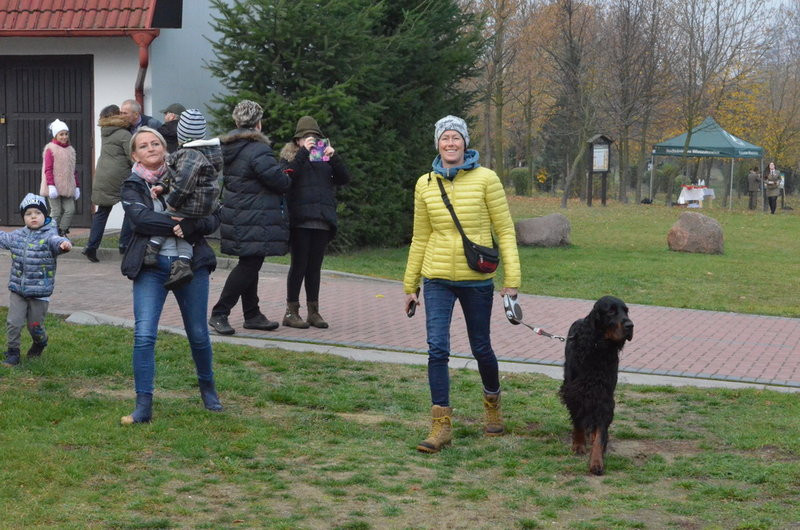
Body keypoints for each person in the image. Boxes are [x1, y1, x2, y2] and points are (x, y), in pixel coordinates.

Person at [403, 115, 521, 454]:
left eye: (456, 137)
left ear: (465, 142)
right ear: (437, 144)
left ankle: (492, 404)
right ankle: (441, 425)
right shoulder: (425, 183)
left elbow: (505, 231)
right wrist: (410, 285)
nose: (450, 143)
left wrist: (512, 280)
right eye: (445, 138)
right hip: (436, 278)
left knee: (481, 347)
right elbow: (420, 236)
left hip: (476, 279)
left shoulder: (487, 179)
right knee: (437, 349)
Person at [119, 127, 223, 424]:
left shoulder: (190, 170)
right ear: (135, 155)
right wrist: (181, 225)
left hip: (191, 265)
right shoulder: (132, 185)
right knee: (144, 334)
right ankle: (143, 404)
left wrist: (194, 225)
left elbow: (215, 214)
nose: (151, 148)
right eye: (144, 146)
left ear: (165, 148)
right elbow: (140, 220)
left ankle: (208, 389)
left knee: (198, 333)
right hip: (150, 267)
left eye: (156, 143)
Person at [207, 100, 292, 336]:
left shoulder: (229, 147)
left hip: (238, 213)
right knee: (249, 265)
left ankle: (252, 314)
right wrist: (288, 170)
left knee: (250, 261)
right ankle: (220, 312)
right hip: (255, 216)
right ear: (258, 123)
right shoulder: (258, 149)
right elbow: (279, 181)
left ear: (237, 122)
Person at [279, 116, 350, 328]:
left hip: (322, 219)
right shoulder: (290, 158)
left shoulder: (324, 159)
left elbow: (344, 178)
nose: (311, 141)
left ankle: (313, 312)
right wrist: (303, 153)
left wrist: (333, 157)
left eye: (315, 137)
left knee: (314, 268)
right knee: (298, 266)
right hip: (300, 220)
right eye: (306, 137)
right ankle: (291, 312)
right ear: (297, 140)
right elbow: (286, 178)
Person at [147, 109, 223, 290]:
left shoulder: (190, 155)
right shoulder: (206, 152)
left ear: (181, 134)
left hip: (193, 202)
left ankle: (152, 248)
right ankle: (183, 263)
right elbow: (176, 175)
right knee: (182, 229)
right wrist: (163, 186)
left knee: (167, 217)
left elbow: (183, 182)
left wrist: (172, 202)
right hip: (204, 204)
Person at [1, 194, 72, 366]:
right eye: (28, 214)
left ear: (45, 215)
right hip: (18, 290)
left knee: (35, 326)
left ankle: (40, 342)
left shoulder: (50, 236)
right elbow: (3, 237)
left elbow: (57, 242)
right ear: (23, 218)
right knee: (13, 322)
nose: (33, 216)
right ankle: (13, 353)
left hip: (40, 292)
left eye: (37, 213)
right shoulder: (17, 236)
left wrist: (64, 244)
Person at [83, 105, 133, 262]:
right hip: (120, 176)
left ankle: (91, 246)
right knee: (131, 209)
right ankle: (124, 244)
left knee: (102, 212)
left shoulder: (105, 131)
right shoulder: (124, 134)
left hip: (102, 174)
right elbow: (132, 157)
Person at [39, 119, 80, 236]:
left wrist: (76, 186)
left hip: (67, 186)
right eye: (61, 134)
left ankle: (61, 232)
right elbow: (48, 169)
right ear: (55, 135)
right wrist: (51, 186)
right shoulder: (50, 149)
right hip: (53, 186)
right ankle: (46, 233)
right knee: (56, 211)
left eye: (66, 134)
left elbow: (73, 170)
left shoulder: (70, 150)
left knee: (70, 210)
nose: (64, 137)